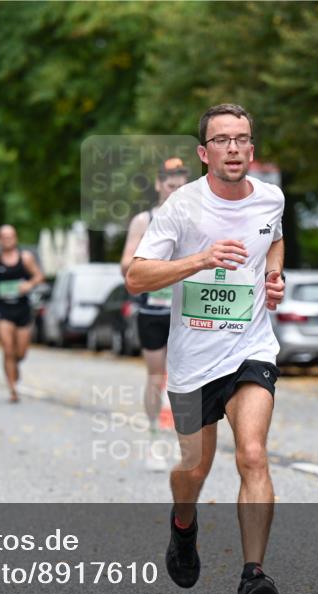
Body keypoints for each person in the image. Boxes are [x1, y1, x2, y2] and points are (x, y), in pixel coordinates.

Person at [125, 103, 287, 594]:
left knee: (254, 455)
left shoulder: (271, 199)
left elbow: (274, 240)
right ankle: (183, 526)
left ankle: (253, 577)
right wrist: (200, 258)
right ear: (204, 152)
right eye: (221, 140)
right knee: (194, 469)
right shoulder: (180, 208)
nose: (233, 148)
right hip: (195, 362)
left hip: (251, 349)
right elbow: (135, 276)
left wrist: (274, 278)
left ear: (251, 149)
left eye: (241, 139)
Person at [120, 157, 190, 471]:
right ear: (160, 185)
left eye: (181, 185)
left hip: (186, 310)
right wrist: (157, 264)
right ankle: (153, 441)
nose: (176, 190)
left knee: (185, 380)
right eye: (170, 185)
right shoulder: (144, 219)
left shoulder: (196, 217)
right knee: (155, 378)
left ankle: (181, 441)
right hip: (153, 309)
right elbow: (126, 265)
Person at [0, 225, 44, 403]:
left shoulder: (25, 258)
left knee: (21, 352)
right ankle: (12, 388)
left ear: (16, 238)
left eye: (10, 236)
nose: (7, 240)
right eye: (4, 237)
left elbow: (39, 276)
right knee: (8, 349)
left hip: (22, 309)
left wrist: (28, 285)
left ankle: (16, 365)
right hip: (3, 310)